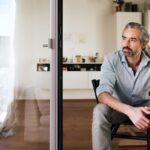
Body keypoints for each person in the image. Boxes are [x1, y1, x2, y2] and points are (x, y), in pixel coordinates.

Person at [92, 22, 150, 150]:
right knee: (99, 110)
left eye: (132, 40)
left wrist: (139, 111)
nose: (126, 44)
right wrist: (130, 111)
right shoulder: (111, 59)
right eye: (124, 38)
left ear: (144, 44)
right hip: (120, 109)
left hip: (146, 109)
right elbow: (103, 94)